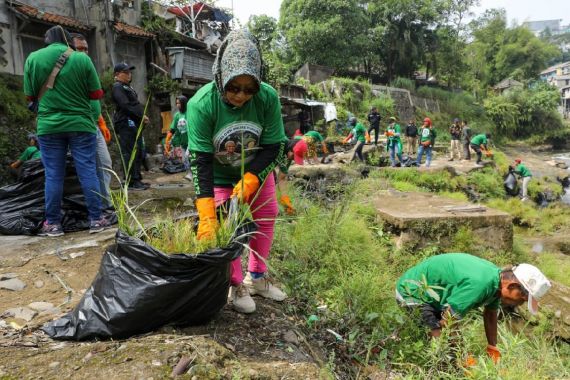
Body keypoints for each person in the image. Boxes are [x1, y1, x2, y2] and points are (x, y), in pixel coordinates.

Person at [187, 30, 287, 314]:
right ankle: (235, 284)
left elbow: (274, 146)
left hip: (256, 169)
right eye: (234, 87)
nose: (241, 96)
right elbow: (201, 160)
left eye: (249, 89)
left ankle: (256, 278)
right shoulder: (201, 105)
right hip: (218, 174)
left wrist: (253, 177)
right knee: (225, 227)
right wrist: (206, 212)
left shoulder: (267, 99)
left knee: (266, 218)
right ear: (221, 75)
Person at [24, 25, 110, 236]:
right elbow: (97, 93)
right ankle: (96, 220)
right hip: (81, 124)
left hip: (49, 126)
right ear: (67, 41)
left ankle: (53, 224)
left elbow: (29, 97)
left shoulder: (33, 58)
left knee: (53, 175)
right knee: (87, 171)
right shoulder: (82, 58)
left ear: (46, 40)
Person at [396, 253, 551, 363]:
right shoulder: (480, 284)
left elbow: (490, 314)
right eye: (522, 299)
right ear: (512, 285)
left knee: (449, 342)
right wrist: (464, 357)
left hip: (434, 298)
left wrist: (492, 347)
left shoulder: (496, 281)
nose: (520, 304)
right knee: (441, 345)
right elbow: (448, 321)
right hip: (413, 293)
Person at [72, 33, 113, 211]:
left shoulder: (88, 68)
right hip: (79, 125)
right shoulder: (69, 72)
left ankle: (105, 204)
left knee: (104, 164)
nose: (84, 53)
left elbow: (95, 97)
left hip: (93, 124)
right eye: (79, 49)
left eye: (86, 49)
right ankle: (99, 208)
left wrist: (101, 119)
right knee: (89, 169)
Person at [111, 62, 150, 191]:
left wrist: (142, 117)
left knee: (137, 151)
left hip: (133, 123)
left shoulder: (128, 87)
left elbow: (134, 105)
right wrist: (140, 116)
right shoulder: (117, 86)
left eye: (129, 72)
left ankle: (137, 179)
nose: (129, 74)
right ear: (117, 74)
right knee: (129, 152)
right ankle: (130, 181)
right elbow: (125, 105)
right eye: (126, 72)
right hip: (125, 123)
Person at [165, 95, 190, 169]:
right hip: (183, 142)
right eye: (177, 103)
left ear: (184, 103)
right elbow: (172, 130)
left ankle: (193, 175)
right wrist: (167, 141)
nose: (177, 105)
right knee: (185, 160)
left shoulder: (190, 113)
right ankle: (189, 174)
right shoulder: (177, 115)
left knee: (188, 157)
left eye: (179, 103)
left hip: (191, 141)